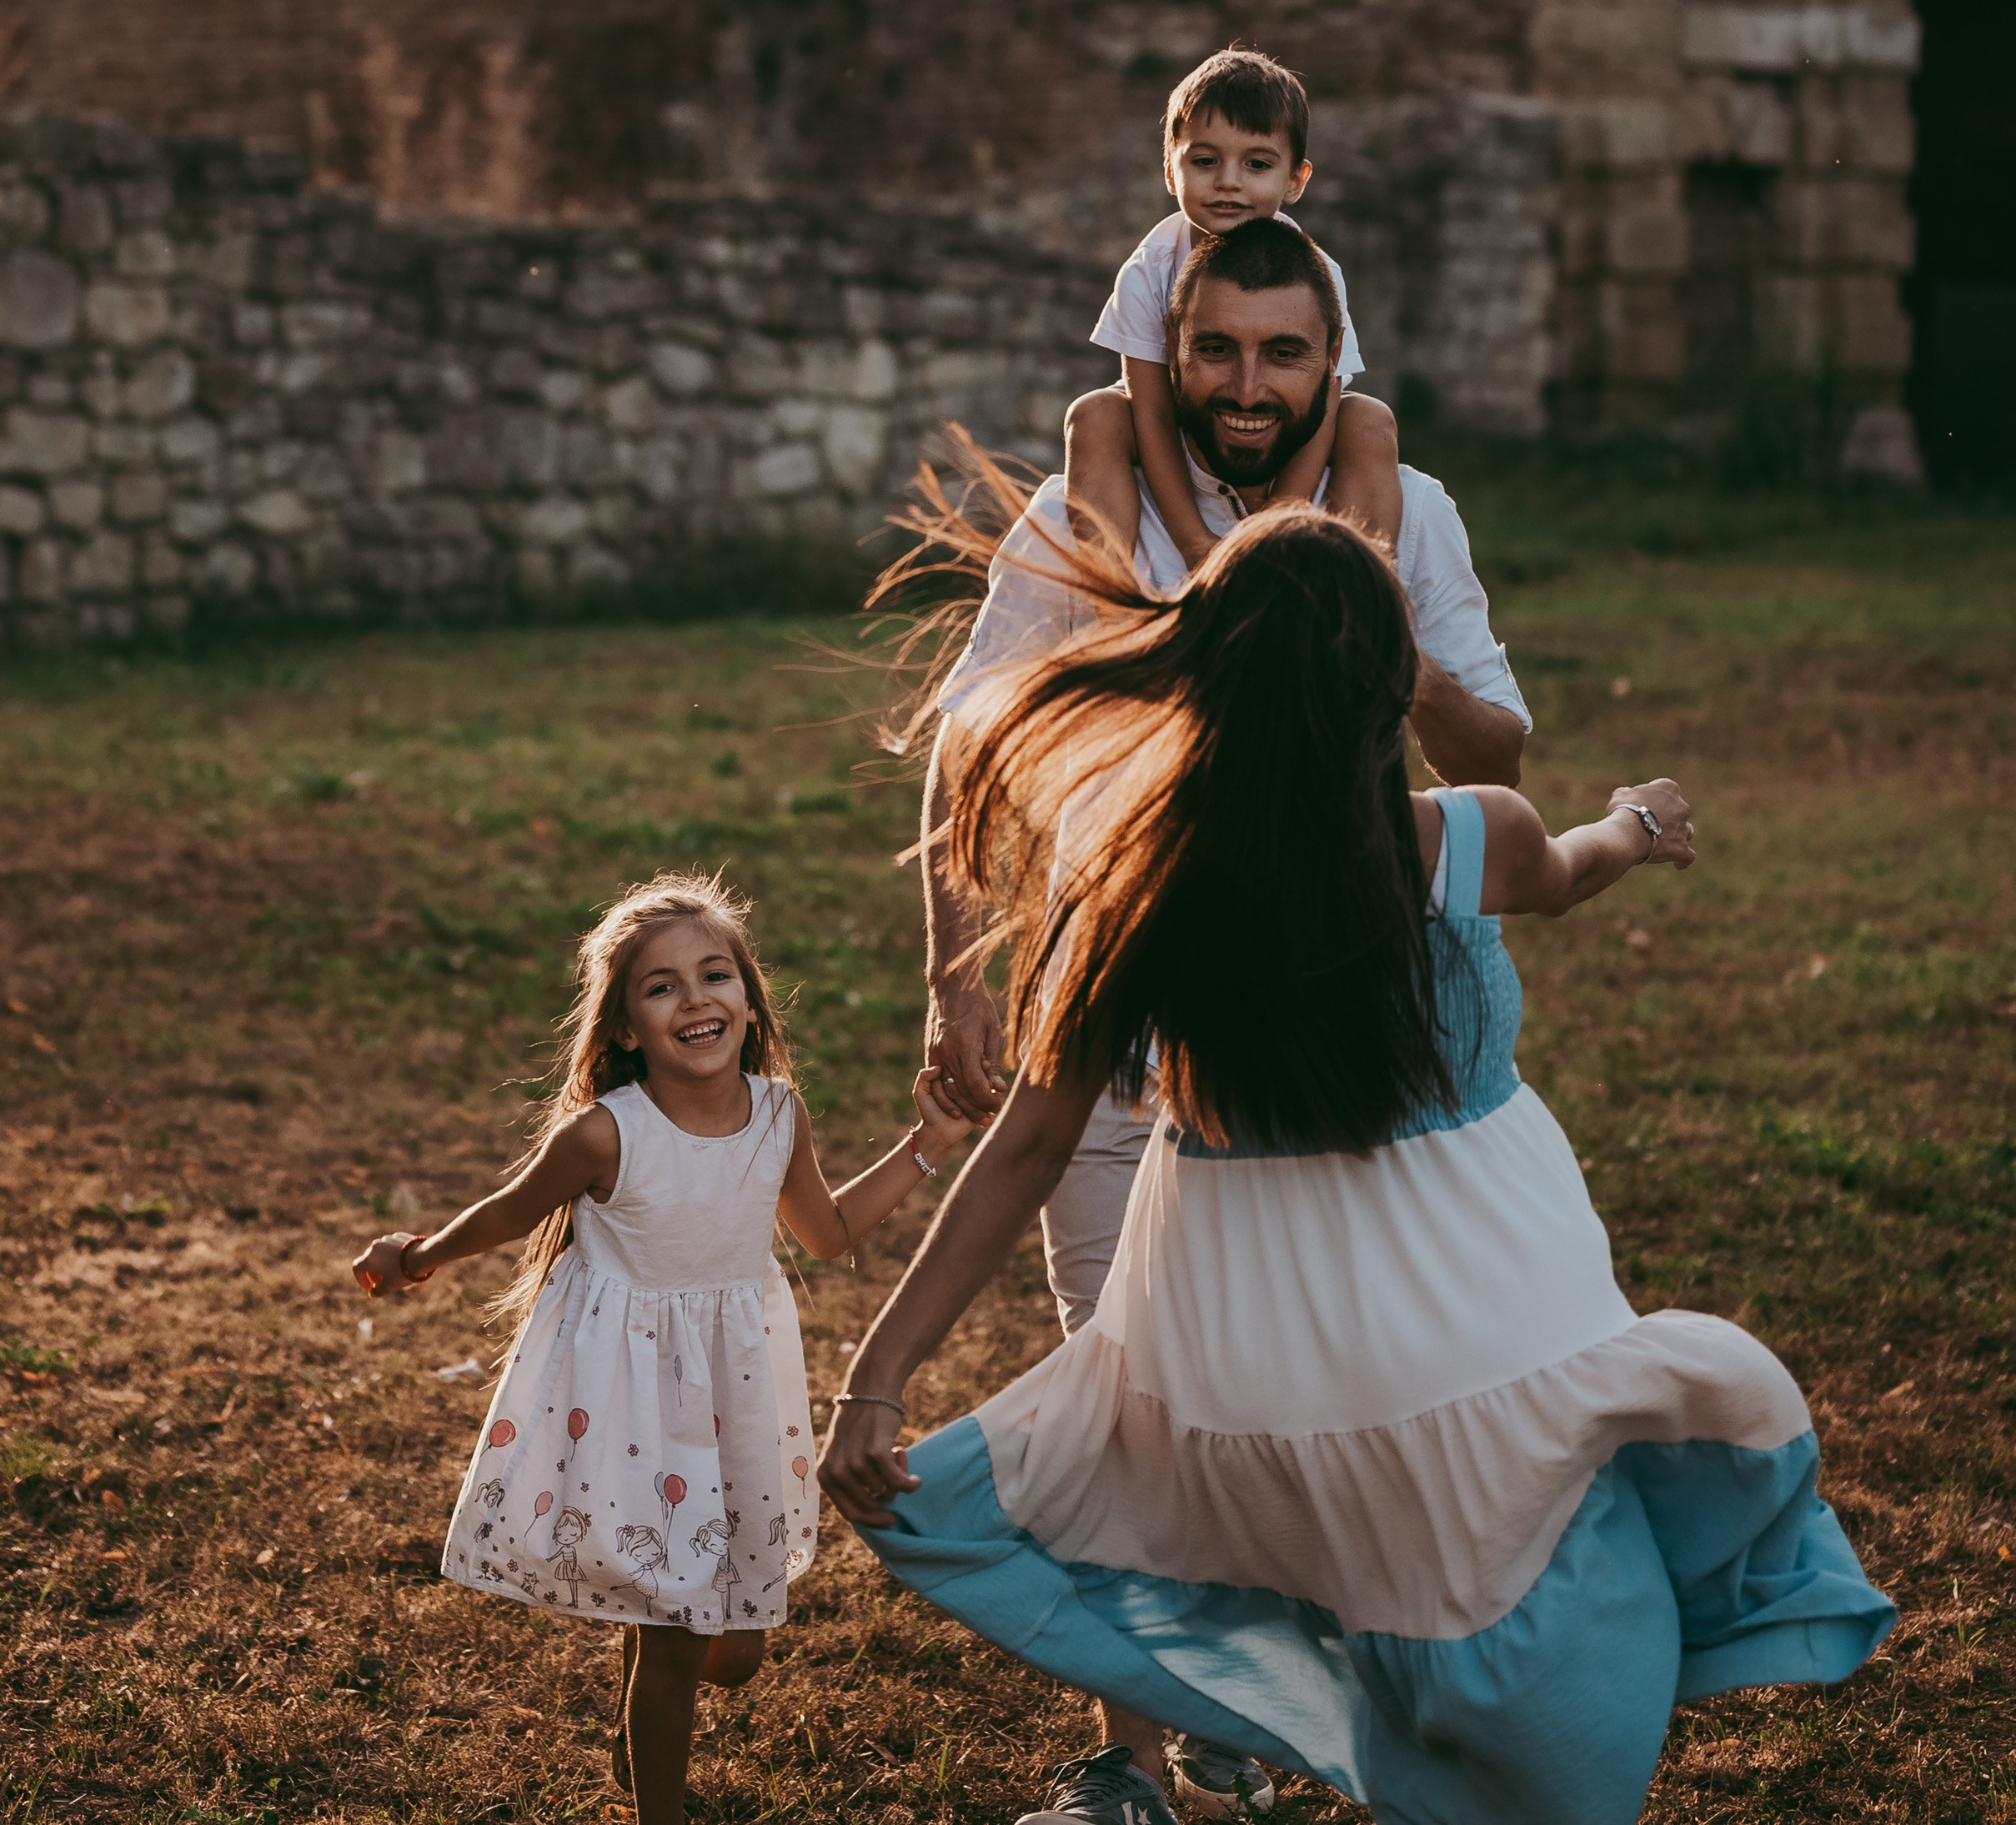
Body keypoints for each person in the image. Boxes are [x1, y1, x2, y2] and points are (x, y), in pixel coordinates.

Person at [823, 505, 1895, 1825]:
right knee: (1541, 1549)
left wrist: (879, 1380)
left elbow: (1030, 1140)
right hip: (1481, 1295)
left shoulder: (1134, 883)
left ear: (1201, 669)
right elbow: (1568, 873)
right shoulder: (1464, 837)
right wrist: (1636, 819)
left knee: (1343, 1558)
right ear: (1390, 685)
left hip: (1264, 1340)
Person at [916, 212, 1528, 1815]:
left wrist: (1369, 632)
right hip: (1109, 1006)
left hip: (1313, 1048)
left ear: (1334, 363)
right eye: (1215, 349)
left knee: (1283, 1401)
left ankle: (1243, 1735)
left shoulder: (1411, 514)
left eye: (1282, 352)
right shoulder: (1083, 508)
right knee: (1122, 1391)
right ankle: (1127, 1770)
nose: (1247, 383)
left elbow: (1499, 761)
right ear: (1168, 350)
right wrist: (954, 972)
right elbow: (972, 736)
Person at [349, 873, 980, 1825]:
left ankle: (647, 1714)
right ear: (624, 1030)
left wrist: (926, 1143)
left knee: (734, 1649)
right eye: (662, 987)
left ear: (750, 1001)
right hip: (630, 1396)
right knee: (681, 1635)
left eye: (715, 974)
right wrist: (418, 1255)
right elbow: (510, 1210)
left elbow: (830, 1232)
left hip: (737, 1387)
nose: (695, 999)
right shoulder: (606, 1134)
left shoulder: (778, 1115)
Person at [1063, 47, 1402, 565]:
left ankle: (1361, 589)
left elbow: (1324, 401)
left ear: (1295, 180)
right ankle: (1104, 592)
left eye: (1257, 164)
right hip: (1183, 419)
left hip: (1274, 420)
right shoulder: (1147, 271)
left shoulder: (1317, 274)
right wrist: (1196, 543)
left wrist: (1273, 527)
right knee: (1093, 416)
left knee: (1370, 421)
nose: (1228, 181)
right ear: (1172, 172)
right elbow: (1151, 412)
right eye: (1205, 161)